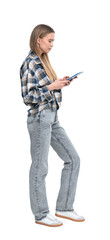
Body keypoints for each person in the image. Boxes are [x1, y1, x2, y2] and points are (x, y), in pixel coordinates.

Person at [19, 24, 85, 227]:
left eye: (53, 40)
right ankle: (41, 214)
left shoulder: (42, 61)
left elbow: (45, 89)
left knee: (73, 158)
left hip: (53, 118)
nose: (52, 44)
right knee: (40, 167)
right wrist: (51, 87)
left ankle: (64, 207)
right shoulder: (29, 63)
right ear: (38, 39)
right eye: (50, 40)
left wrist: (59, 83)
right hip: (39, 118)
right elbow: (28, 96)